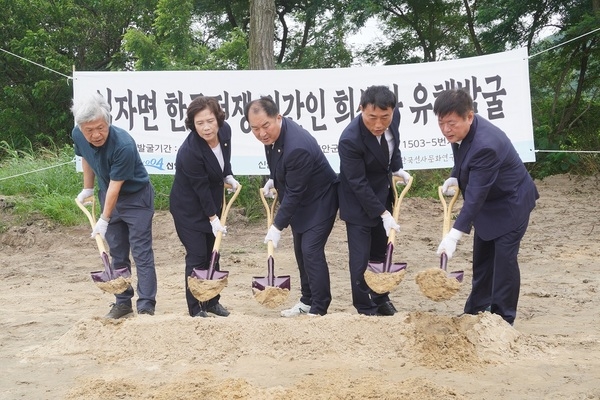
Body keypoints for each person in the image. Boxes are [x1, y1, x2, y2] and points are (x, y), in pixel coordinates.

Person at [434, 88, 539, 326]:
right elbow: (462, 158)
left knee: (503, 262)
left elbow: (475, 198)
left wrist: (454, 235)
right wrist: (455, 176)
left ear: (469, 116)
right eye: (441, 123)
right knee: (482, 259)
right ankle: (476, 311)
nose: (446, 130)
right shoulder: (460, 132)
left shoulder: (486, 145)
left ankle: (503, 320)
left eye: (451, 123)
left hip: (511, 203)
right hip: (489, 204)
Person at [245, 97, 338, 317]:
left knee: (311, 251)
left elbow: (295, 193)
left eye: (265, 126)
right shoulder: (273, 138)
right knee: (300, 251)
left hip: (320, 200)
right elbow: (280, 165)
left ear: (278, 117)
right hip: (301, 202)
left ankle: (319, 307)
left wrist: (276, 227)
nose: (261, 133)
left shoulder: (297, 147)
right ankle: (307, 300)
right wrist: (273, 179)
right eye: (255, 128)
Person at [71, 93, 157, 319]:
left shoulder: (123, 144)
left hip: (136, 198)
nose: (96, 134)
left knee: (141, 252)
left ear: (108, 121)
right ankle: (122, 302)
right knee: (117, 254)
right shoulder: (78, 135)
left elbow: (116, 187)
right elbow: (86, 157)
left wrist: (104, 219)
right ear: (80, 128)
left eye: (100, 127)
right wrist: (88, 188)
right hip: (107, 194)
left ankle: (146, 305)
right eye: (89, 130)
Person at [337, 85, 411, 316]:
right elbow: (357, 182)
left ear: (392, 112)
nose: (379, 124)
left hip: (382, 194)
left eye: (384, 117)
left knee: (381, 252)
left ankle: (381, 299)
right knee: (360, 260)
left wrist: (397, 168)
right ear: (361, 109)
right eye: (372, 118)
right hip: (357, 203)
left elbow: (393, 144)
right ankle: (364, 306)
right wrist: (383, 214)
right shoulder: (350, 139)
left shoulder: (393, 118)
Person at [170, 96, 239, 318]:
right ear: (192, 124)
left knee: (213, 255)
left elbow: (224, 156)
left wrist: (227, 173)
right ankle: (196, 308)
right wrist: (213, 220)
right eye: (200, 123)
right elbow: (200, 188)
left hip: (211, 202)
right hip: (188, 209)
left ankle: (211, 301)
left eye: (210, 121)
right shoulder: (190, 152)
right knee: (198, 255)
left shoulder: (225, 131)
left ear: (218, 119)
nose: (206, 127)